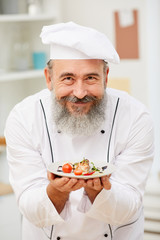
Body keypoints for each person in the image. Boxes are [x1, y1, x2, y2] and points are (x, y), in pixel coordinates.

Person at [5, 22, 154, 240]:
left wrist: (97, 190)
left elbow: (129, 206)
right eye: (68, 78)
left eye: (91, 78)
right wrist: (58, 191)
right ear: (48, 78)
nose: (80, 92)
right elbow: (29, 205)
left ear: (106, 77)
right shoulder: (24, 117)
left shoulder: (135, 117)